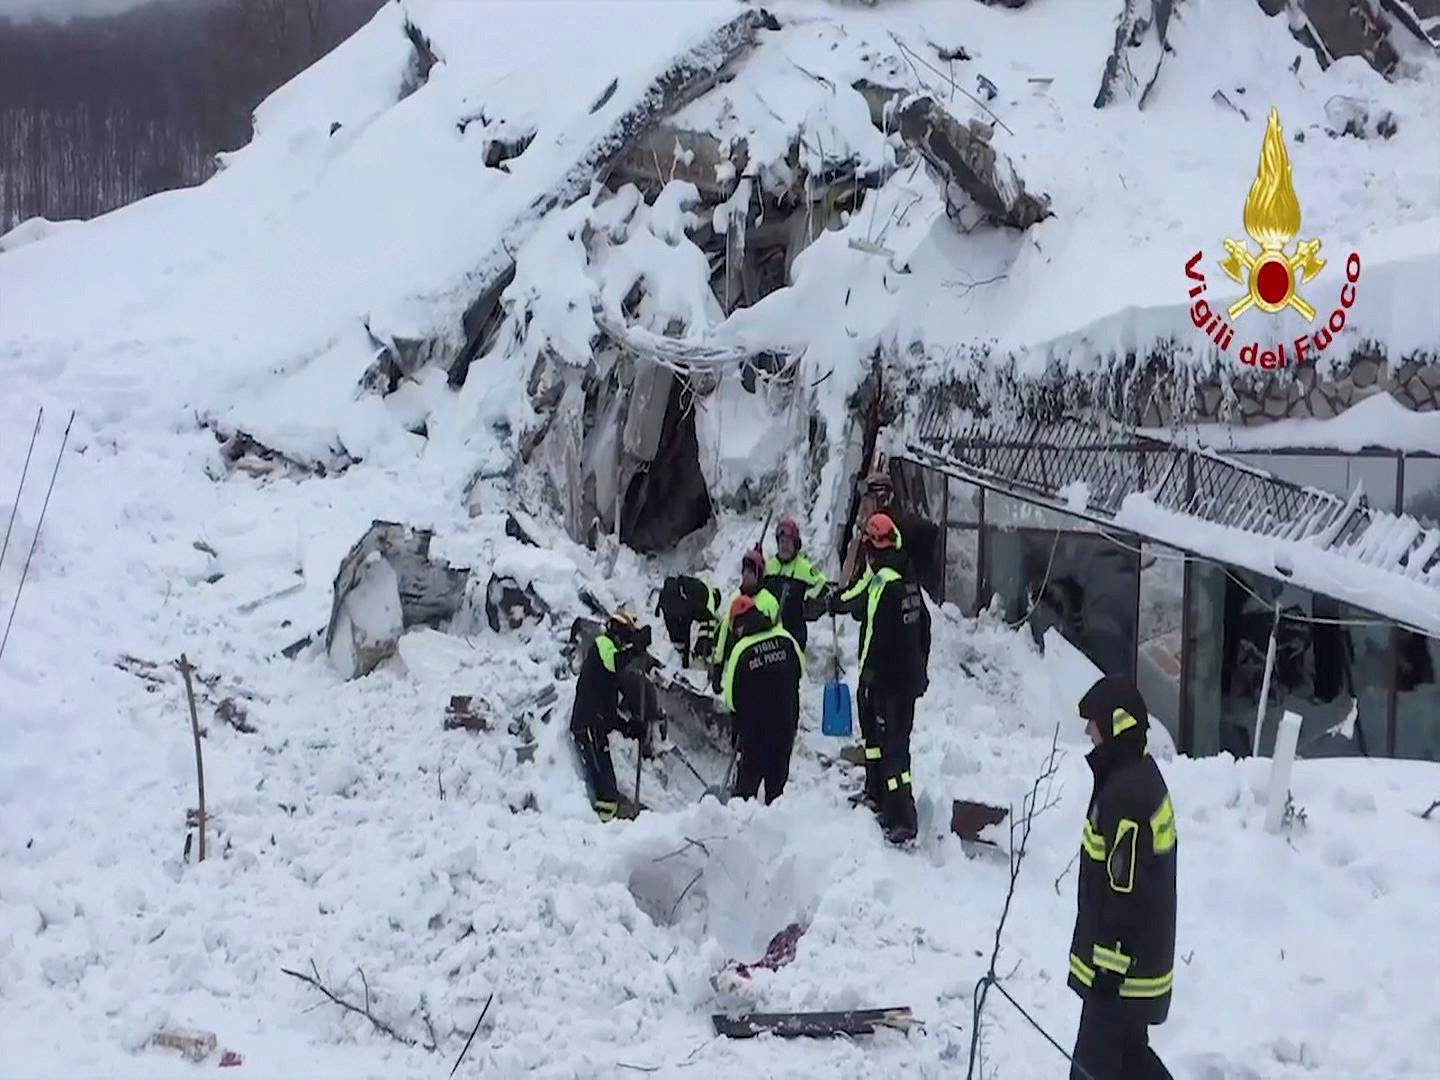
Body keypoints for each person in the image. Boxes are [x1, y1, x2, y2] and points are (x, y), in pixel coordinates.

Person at [1067, 676, 1177, 1080]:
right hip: (1133, 968)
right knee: (1131, 1061)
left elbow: (1124, 889)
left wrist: (1109, 967)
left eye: (1093, 722)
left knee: (1091, 1069)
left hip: (1118, 973)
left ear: (1116, 725)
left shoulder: (1127, 796)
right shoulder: (1133, 778)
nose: (1087, 731)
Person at [841, 512, 931, 844]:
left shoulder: (883, 582)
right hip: (904, 682)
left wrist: (867, 675)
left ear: (872, 549)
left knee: (893, 750)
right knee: (881, 746)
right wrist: (921, 670)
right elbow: (925, 629)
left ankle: (901, 816)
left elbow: (873, 633)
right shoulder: (908, 579)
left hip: (886, 682)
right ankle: (876, 794)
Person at [720, 594, 804, 804]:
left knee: (744, 796)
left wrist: (736, 730)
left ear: (738, 626)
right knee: (776, 794)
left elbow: (731, 699)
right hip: (785, 727)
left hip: (755, 735)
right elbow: (800, 672)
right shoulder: (786, 639)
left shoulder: (742, 650)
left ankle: (742, 831)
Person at [570, 612, 653, 822]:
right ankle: (602, 833)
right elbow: (614, 661)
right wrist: (636, 649)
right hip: (587, 726)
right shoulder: (602, 644)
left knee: (608, 786)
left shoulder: (606, 676)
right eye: (626, 636)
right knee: (606, 789)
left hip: (597, 727)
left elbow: (608, 711)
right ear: (616, 630)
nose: (625, 642)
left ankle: (607, 827)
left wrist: (630, 727)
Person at [710, 548, 780, 691]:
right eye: (744, 571)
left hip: (760, 667)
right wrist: (718, 666)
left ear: (758, 575)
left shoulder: (769, 602)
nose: (746, 575)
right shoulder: (736, 598)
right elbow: (724, 631)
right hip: (737, 663)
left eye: (751, 572)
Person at [763, 516, 828, 650]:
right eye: (781, 541)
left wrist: (808, 599)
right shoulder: (769, 567)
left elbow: (822, 583)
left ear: (796, 544)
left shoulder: (803, 567)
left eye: (788, 542)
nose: (784, 546)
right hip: (771, 633)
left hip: (795, 632)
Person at [656, 574, 721, 668]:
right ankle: (694, 655)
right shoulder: (707, 606)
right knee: (700, 626)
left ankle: (677, 655)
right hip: (679, 605)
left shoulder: (699, 587)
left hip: (667, 600)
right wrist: (686, 663)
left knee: (675, 630)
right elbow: (688, 628)